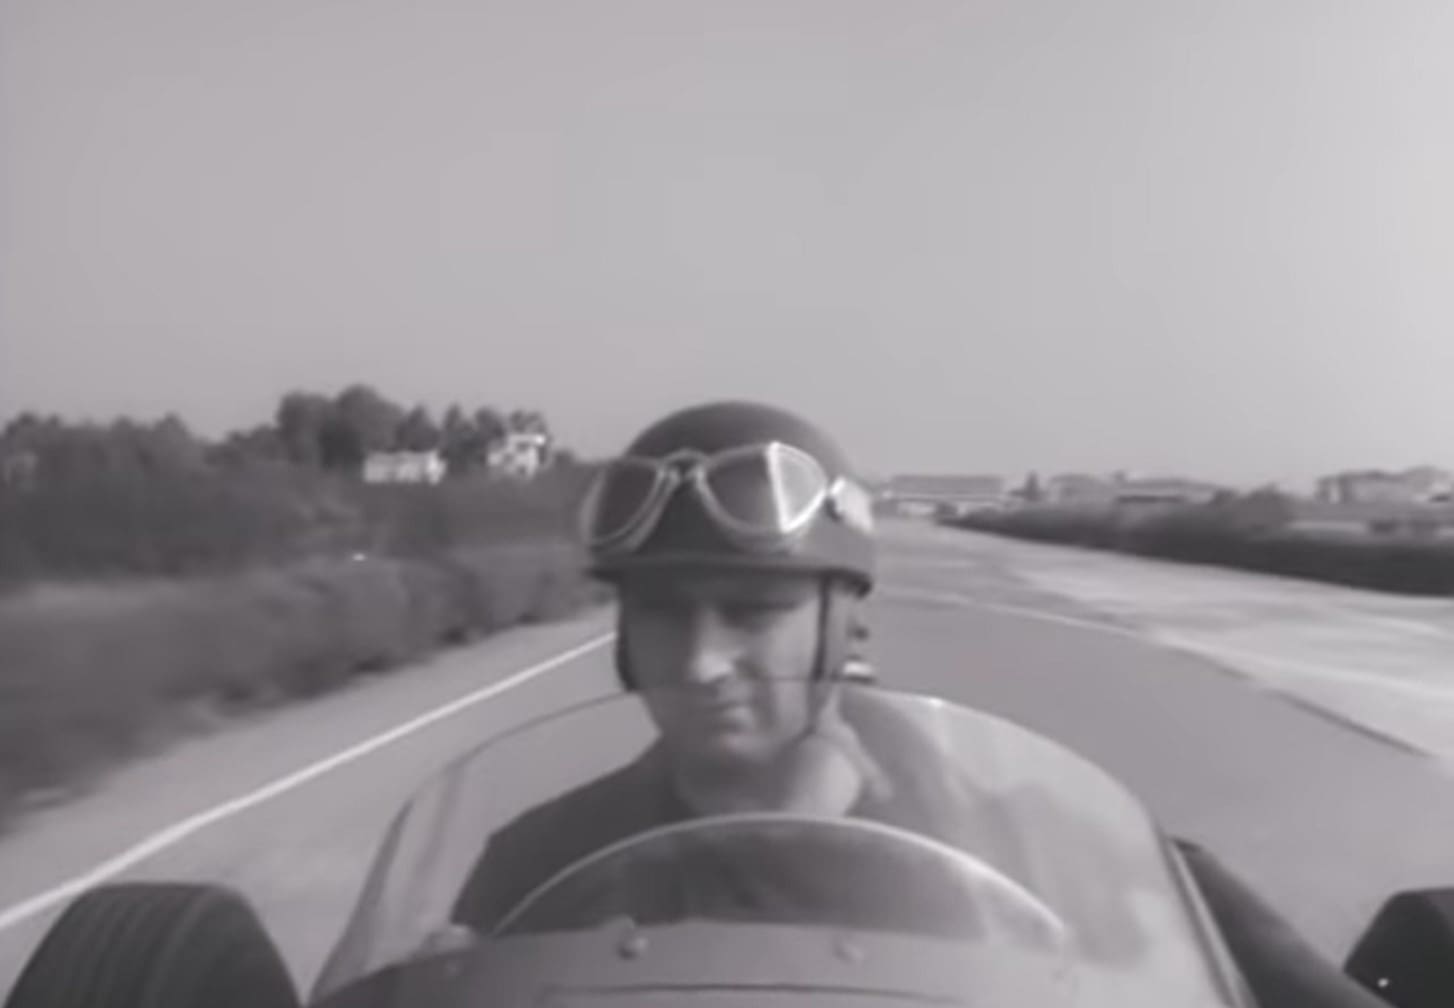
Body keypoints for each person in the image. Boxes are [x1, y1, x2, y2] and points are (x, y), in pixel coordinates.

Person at [450, 399, 936, 934]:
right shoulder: (537, 865)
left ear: (840, 625)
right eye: (661, 612)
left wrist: (794, 845)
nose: (701, 665)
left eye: (752, 612)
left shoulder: (966, 851)